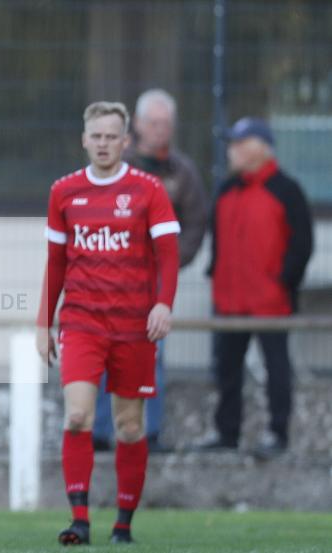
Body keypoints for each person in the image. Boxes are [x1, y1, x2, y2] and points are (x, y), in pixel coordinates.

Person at [36, 101, 180, 545]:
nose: (103, 144)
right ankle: (79, 521)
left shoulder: (147, 190)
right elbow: (56, 262)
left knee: (129, 427)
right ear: (84, 140)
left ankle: (123, 525)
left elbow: (169, 255)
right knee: (77, 415)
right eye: (95, 136)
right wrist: (44, 322)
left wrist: (163, 304)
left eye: (111, 136)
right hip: (81, 322)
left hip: (133, 325)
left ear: (125, 141)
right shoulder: (64, 191)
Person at [92, 89, 208, 452]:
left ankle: (148, 432)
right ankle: (99, 430)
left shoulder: (182, 172)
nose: (159, 129)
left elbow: (194, 224)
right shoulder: (113, 166)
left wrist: (169, 265)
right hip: (110, 280)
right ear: (138, 126)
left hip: (152, 286)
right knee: (105, 354)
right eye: (153, 122)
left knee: (150, 355)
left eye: (165, 123)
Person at [196, 117, 313, 458]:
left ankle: (278, 433)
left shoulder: (286, 190)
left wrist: (283, 281)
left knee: (277, 368)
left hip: (270, 301)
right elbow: (218, 241)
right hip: (229, 299)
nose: (231, 150)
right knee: (226, 369)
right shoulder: (226, 190)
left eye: (238, 143)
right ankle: (226, 433)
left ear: (259, 148)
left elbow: (301, 245)